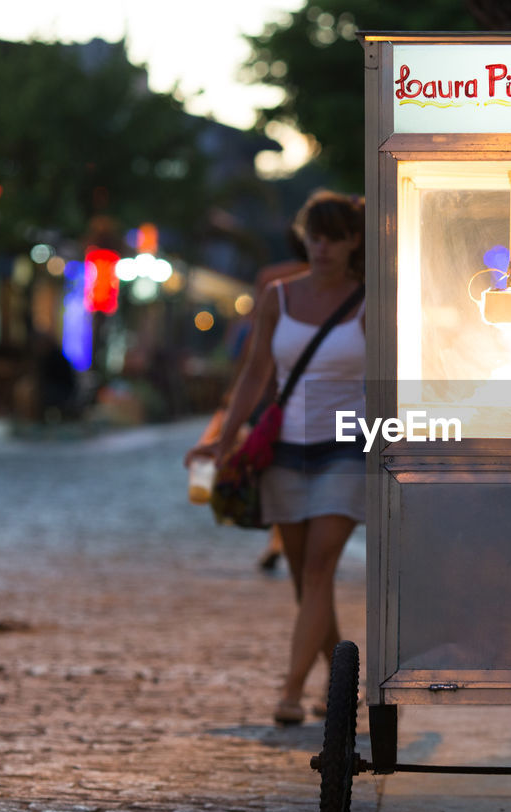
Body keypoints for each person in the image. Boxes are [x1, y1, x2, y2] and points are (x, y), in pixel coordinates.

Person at [185, 190, 366, 725]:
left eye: (336, 236)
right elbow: (255, 374)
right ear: (304, 237)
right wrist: (223, 438)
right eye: (316, 235)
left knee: (319, 565)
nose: (324, 246)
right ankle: (341, 680)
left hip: (347, 448)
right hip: (284, 449)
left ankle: (289, 692)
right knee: (304, 579)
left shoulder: (371, 301)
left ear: (355, 241)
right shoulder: (278, 297)